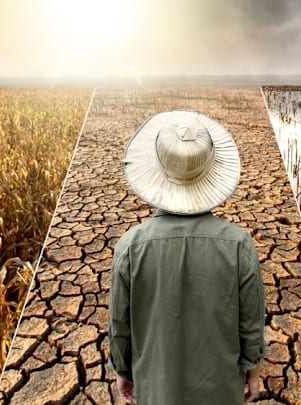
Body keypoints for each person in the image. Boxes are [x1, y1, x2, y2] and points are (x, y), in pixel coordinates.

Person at [108, 110, 265, 404]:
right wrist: (253, 371)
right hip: (221, 391)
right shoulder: (239, 244)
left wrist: (122, 369)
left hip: (156, 390)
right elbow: (251, 322)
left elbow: (119, 323)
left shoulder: (130, 246)